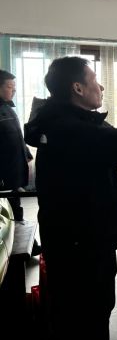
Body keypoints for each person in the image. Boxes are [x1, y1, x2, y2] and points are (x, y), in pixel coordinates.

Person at [24, 57, 117, 340]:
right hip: (80, 248)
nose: (100, 87)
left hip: (84, 239)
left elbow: (82, 169)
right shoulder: (67, 127)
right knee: (87, 317)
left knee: (94, 311)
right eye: (95, 81)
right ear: (77, 88)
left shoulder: (66, 122)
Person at [0, 69, 41, 255]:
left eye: (14, 87)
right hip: (4, 175)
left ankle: (26, 245)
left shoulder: (8, 108)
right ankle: (22, 248)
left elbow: (16, 136)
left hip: (15, 170)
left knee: (16, 207)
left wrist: (27, 153)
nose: (14, 90)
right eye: (10, 87)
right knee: (10, 211)